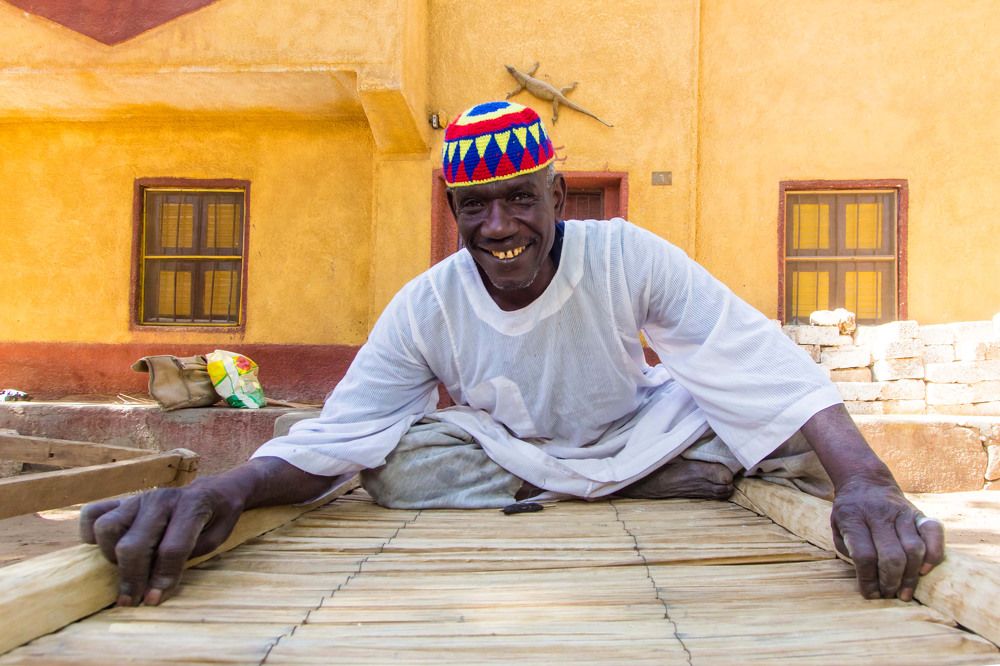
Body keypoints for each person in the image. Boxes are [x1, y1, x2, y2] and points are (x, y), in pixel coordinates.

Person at [81, 100, 943, 609]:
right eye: (476, 206)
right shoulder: (427, 305)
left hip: (645, 428)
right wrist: (220, 492)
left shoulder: (625, 254)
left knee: (787, 432)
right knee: (388, 464)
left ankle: (624, 476)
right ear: (455, 209)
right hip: (516, 456)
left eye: (520, 200)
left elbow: (748, 355)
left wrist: (867, 478)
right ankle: (624, 486)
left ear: (557, 195)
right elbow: (342, 432)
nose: (500, 227)